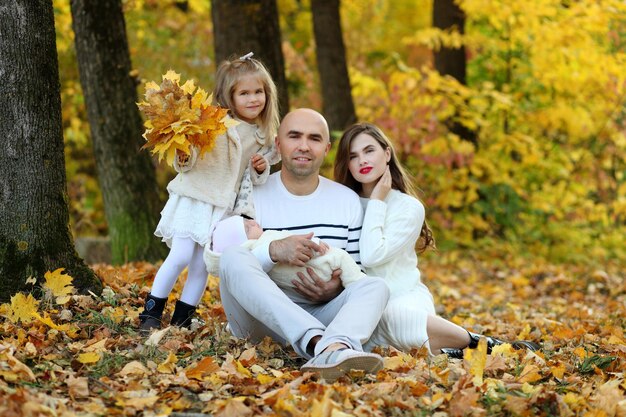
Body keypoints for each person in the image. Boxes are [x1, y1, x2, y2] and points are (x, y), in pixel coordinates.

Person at [331, 122, 540, 358]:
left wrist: (378, 201)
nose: (362, 161)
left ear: (387, 153)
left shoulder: (409, 208)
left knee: (395, 317)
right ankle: (455, 353)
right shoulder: (344, 206)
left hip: (404, 297)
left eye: (369, 151)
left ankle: (485, 343)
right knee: (374, 327)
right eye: (353, 156)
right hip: (361, 303)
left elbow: (372, 256)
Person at [218, 109, 390, 381]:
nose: (304, 146)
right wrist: (273, 251)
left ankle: (334, 348)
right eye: (294, 136)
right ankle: (322, 345)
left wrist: (333, 290)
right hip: (259, 322)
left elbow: (357, 274)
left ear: (326, 148)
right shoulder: (251, 194)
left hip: (325, 316)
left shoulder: (346, 201)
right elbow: (224, 269)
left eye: (314, 138)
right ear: (277, 144)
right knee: (231, 257)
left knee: (376, 286)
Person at [138, 53, 281, 333]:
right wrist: (182, 154)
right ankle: (151, 312)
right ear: (229, 97)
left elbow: (251, 179)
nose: (253, 99)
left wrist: (260, 168)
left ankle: (183, 318)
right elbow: (187, 160)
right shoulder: (212, 123)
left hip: (222, 208)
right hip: (195, 199)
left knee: (202, 265)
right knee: (179, 255)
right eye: (244, 93)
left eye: (258, 92)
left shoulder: (262, 135)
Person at [205, 215, 366, 289]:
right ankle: (359, 285)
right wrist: (315, 243)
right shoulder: (268, 239)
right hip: (324, 264)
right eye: (247, 227)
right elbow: (297, 241)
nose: (254, 222)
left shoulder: (256, 254)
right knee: (344, 260)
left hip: (313, 279)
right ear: (244, 242)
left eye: (249, 220)